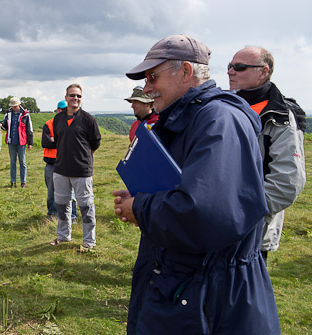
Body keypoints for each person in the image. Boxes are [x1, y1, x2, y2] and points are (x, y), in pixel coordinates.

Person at [114, 34, 280, 334]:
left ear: (186, 72)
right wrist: (145, 195)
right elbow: (190, 187)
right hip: (186, 290)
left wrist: (141, 206)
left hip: (212, 300)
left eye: (153, 77)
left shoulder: (219, 120)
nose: (147, 88)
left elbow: (203, 214)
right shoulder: (189, 117)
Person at [228, 46, 306, 264]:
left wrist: (241, 213)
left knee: (244, 296)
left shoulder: (280, 116)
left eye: (239, 67)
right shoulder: (226, 105)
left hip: (252, 232)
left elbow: (287, 182)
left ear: (263, 72)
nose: (230, 71)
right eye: (230, 66)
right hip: (217, 224)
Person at [49, 84, 101, 251]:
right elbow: (58, 140)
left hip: (82, 171)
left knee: (86, 206)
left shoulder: (88, 119)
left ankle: (89, 241)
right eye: (72, 95)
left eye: (78, 96)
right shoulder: (58, 119)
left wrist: (83, 156)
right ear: (66, 97)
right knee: (62, 205)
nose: (75, 98)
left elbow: (95, 142)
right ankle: (63, 236)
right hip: (61, 170)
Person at [41, 100, 77, 221]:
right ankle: (52, 214)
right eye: (62, 109)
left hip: (69, 163)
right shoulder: (49, 124)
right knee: (51, 192)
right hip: (51, 164)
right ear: (57, 110)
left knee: (70, 193)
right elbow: (45, 143)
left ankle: (72, 217)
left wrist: (54, 140)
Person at [1, 97, 33, 188]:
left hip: (21, 141)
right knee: (12, 162)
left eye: (15, 106)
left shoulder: (25, 114)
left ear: (19, 105)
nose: (14, 107)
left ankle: (23, 182)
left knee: (22, 162)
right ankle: (13, 182)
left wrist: (30, 142)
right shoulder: (8, 113)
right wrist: (0, 125)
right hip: (11, 141)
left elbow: (29, 128)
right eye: (12, 106)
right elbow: (5, 126)